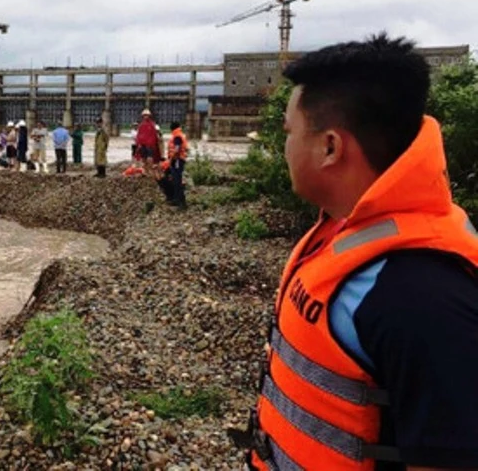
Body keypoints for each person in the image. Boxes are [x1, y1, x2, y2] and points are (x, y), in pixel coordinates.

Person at [242, 34, 478, 471]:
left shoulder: (420, 294)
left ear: (330, 147)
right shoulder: (344, 230)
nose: (284, 147)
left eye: (289, 132)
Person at [165, 121, 187, 209]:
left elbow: (177, 149)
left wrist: (171, 159)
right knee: (175, 180)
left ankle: (181, 202)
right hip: (177, 160)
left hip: (177, 160)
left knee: (177, 181)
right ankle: (176, 199)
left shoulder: (177, 136)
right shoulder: (179, 135)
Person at [135, 109, 160, 176]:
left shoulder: (152, 124)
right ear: (142, 116)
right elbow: (139, 135)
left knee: (150, 157)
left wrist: (154, 143)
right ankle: (145, 170)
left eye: (147, 115)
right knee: (143, 158)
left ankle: (149, 170)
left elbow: (154, 135)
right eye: (144, 115)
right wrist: (139, 143)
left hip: (150, 145)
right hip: (143, 144)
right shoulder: (141, 125)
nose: (146, 116)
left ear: (149, 116)